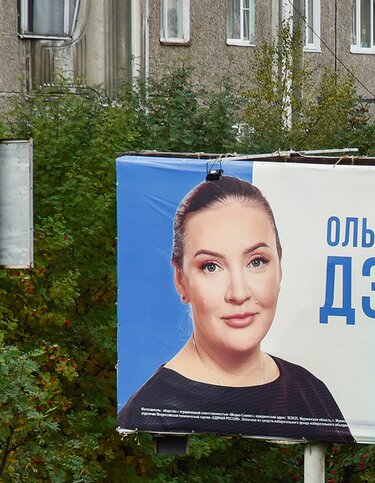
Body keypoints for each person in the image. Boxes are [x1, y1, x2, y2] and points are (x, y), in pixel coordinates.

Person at [119, 175, 352, 442]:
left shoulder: (311, 393)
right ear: (181, 281)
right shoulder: (148, 413)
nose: (239, 293)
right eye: (211, 266)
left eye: (256, 262)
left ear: (280, 267)